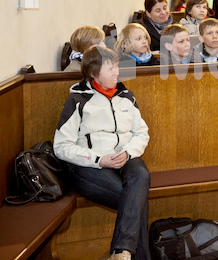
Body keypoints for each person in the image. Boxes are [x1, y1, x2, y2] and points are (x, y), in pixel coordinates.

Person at [54, 46, 150, 260]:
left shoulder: (126, 96)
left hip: (126, 158)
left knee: (141, 176)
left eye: (116, 67)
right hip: (90, 166)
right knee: (137, 201)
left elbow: (142, 132)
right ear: (93, 73)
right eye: (110, 69)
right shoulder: (78, 101)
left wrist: (129, 152)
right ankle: (124, 252)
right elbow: (61, 146)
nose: (117, 72)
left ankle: (121, 253)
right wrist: (98, 160)